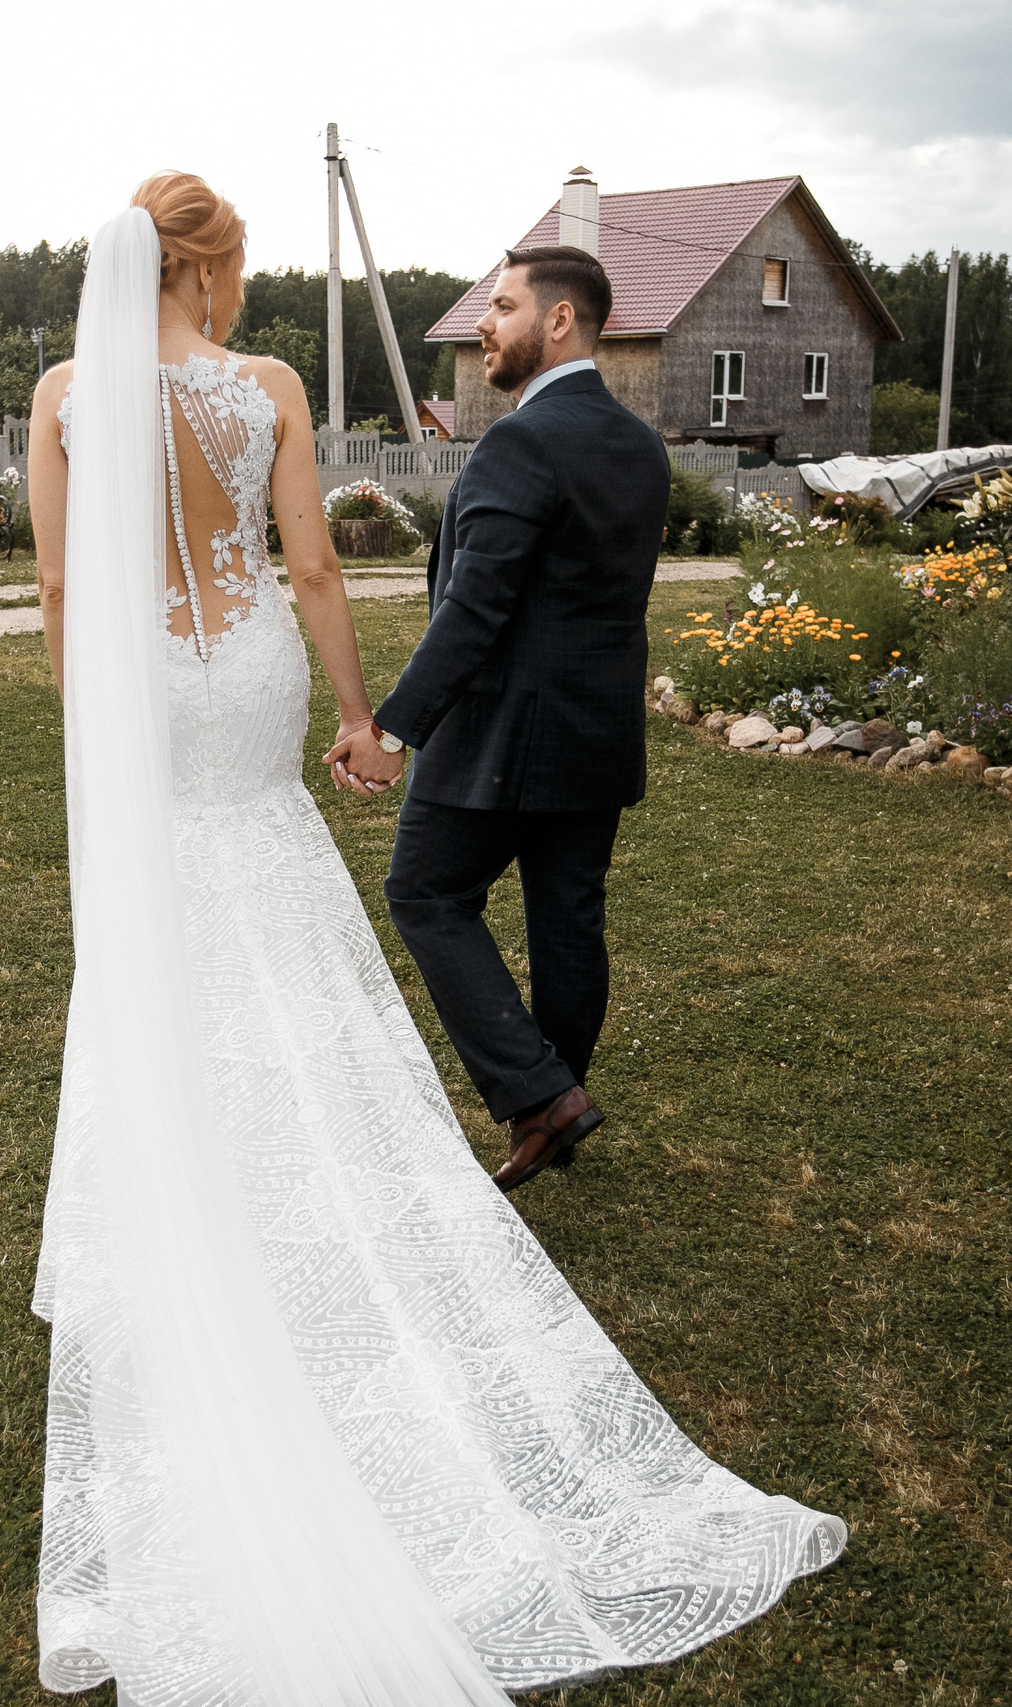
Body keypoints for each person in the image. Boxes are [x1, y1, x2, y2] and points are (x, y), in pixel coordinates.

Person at [28, 172, 843, 1707]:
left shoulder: (64, 390)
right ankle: (462, 1118)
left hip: (137, 692)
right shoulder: (261, 385)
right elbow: (314, 564)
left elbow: (66, 584)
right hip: (251, 671)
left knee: (155, 932)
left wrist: (99, 730)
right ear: (207, 267)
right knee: (284, 901)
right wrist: (350, 709)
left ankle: (164, 1206)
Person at [368, 246, 670, 1192]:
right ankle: (556, 1107)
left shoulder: (521, 441)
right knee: (567, 925)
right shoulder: (640, 444)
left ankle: (540, 1095)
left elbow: (475, 607)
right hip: (597, 737)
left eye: (502, 307)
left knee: (425, 891)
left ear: (561, 321)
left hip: (501, 740)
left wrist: (392, 729)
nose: (484, 327)